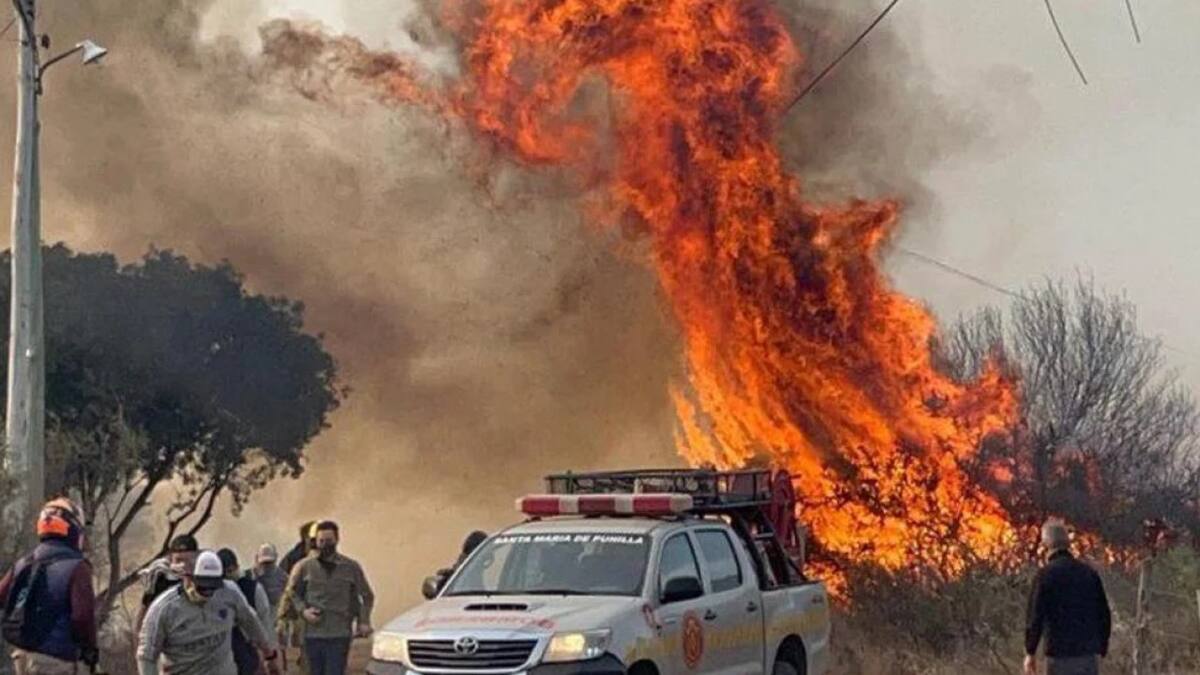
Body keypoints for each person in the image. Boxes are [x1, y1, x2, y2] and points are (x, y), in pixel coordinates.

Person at [138, 550, 282, 675]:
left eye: (212, 587)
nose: (208, 593)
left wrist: (269, 655)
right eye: (203, 587)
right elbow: (146, 656)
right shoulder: (164, 609)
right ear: (188, 578)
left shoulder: (229, 592)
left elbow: (251, 622)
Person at [0, 498, 98, 675]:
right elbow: (82, 617)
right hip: (57, 663)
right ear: (73, 529)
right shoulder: (78, 568)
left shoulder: (23, 563)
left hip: (22, 658)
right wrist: (90, 650)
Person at [281, 521, 374, 675]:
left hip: (339, 633)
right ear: (316, 542)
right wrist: (303, 611)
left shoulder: (351, 567)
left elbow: (367, 596)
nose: (325, 545)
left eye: (329, 541)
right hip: (312, 634)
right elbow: (292, 592)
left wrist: (363, 621)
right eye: (321, 541)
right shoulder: (304, 567)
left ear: (337, 540)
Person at [1025, 520, 1112, 675]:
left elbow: (1035, 617)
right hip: (1087, 657)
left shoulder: (1044, 576)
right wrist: (1102, 647)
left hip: (1058, 657)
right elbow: (1103, 614)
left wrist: (1030, 651)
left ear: (1046, 545)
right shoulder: (1089, 574)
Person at [217, 549, 275, 675]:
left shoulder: (253, 588)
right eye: (224, 574)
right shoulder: (212, 592)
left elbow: (263, 622)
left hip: (249, 652)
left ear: (237, 567)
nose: (227, 576)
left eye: (230, 571)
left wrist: (268, 653)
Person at [136, 534, 199, 632]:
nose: (183, 565)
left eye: (188, 561)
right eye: (179, 560)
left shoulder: (202, 578)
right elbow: (143, 616)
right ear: (171, 559)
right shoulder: (160, 580)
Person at [252, 545, 288, 613]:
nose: (267, 566)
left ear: (276, 558)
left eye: (270, 562)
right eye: (264, 563)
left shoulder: (283, 577)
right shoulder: (251, 577)